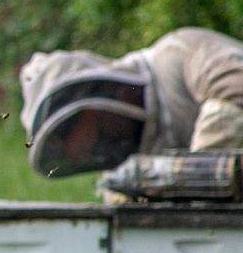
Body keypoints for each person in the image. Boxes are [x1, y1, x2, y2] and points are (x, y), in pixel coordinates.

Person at [18, 30, 243, 178]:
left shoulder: (178, 53)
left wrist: (193, 175)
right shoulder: (138, 165)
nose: (106, 150)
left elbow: (235, 90)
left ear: (104, 96)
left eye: (101, 135)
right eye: (96, 151)